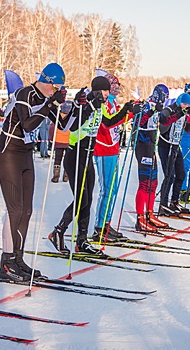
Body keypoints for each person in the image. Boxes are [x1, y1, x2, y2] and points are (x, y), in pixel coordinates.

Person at [0, 62, 76, 282]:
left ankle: (18, 259)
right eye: (56, 87)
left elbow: (64, 126)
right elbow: (28, 124)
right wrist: (51, 103)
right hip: (9, 152)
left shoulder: (45, 99)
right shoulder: (25, 93)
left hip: (25, 154)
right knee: (15, 209)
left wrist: (78, 108)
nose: (57, 91)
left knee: (27, 210)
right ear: (47, 81)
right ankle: (6, 262)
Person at [48, 76, 133, 254]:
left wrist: (127, 110)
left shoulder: (101, 106)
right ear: (95, 91)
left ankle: (82, 241)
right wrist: (87, 106)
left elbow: (109, 122)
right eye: (103, 91)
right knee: (81, 200)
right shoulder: (82, 103)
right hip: (75, 155)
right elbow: (72, 126)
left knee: (88, 200)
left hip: (88, 156)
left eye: (107, 91)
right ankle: (58, 231)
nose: (106, 94)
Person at [92, 72, 131, 242]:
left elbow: (118, 120)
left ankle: (106, 223)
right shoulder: (101, 102)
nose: (114, 89)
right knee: (106, 189)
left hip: (113, 148)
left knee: (113, 190)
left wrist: (131, 112)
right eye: (111, 86)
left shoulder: (113, 101)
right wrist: (125, 112)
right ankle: (99, 227)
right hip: (103, 148)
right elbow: (107, 123)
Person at [133, 85, 172, 232]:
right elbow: (138, 123)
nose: (166, 99)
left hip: (151, 148)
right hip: (142, 147)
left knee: (153, 182)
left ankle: (149, 214)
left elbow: (164, 123)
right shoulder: (146, 105)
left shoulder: (157, 107)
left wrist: (179, 113)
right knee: (144, 183)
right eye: (165, 96)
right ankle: (140, 218)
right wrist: (151, 111)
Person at [157, 92, 190, 217]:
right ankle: (163, 205)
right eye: (184, 103)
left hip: (176, 145)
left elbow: (187, 129)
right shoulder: (169, 110)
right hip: (165, 145)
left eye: (188, 104)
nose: (185, 106)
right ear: (179, 101)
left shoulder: (184, 111)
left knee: (181, 174)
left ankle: (174, 201)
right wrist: (177, 115)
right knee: (169, 176)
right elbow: (162, 127)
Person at [49, 100, 72, 182]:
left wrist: (51, 138)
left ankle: (56, 176)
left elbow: (52, 128)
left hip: (58, 141)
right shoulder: (72, 118)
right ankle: (66, 176)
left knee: (57, 159)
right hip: (69, 142)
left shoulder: (57, 117)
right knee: (67, 159)